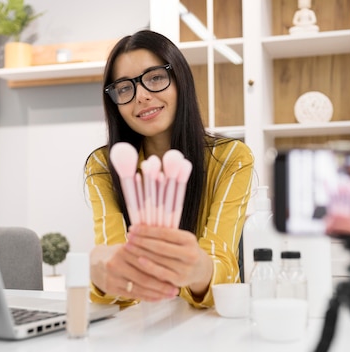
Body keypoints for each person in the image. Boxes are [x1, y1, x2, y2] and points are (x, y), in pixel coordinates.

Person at [84, 30, 254, 308]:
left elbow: (223, 267)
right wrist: (103, 272)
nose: (141, 96)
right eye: (124, 88)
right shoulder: (104, 165)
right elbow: (115, 268)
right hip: (134, 329)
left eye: (155, 78)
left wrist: (198, 268)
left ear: (180, 80)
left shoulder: (231, 158)